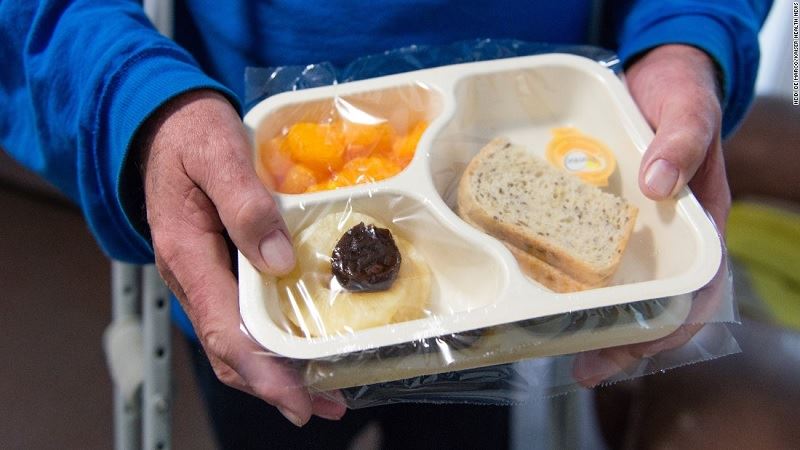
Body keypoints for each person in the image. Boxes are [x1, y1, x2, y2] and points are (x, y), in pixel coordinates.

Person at [0, 0, 772, 447]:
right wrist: (135, 102)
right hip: (251, 239)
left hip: (517, 268)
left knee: (462, 439)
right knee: (276, 430)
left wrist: (687, 33)